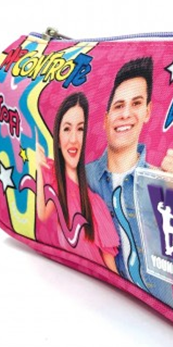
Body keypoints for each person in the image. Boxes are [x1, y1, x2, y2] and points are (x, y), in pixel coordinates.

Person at [86, 57, 173, 306]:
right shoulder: (86, 176)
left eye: (136, 103)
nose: (126, 114)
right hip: (101, 299)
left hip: (165, 308)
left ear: (147, 112)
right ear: (105, 118)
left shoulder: (163, 182)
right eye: (118, 106)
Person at [35, 92, 119, 272]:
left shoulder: (95, 206)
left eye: (80, 129)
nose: (73, 139)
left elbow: (111, 267)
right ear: (58, 139)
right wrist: (39, 169)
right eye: (67, 129)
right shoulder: (55, 178)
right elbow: (42, 213)